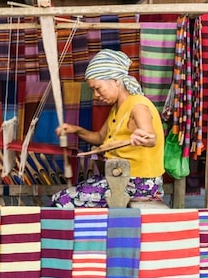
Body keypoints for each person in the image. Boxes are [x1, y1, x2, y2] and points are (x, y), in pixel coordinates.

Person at [50, 48, 165, 208]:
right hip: (120, 177)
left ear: (116, 81)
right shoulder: (117, 108)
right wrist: (76, 130)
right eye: (93, 90)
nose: (96, 95)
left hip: (139, 183)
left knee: (61, 201)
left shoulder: (138, 105)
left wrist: (145, 136)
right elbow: (99, 138)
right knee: (66, 193)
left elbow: (150, 137)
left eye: (98, 88)